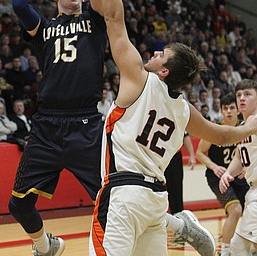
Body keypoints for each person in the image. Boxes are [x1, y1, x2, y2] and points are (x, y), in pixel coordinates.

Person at [88, 1, 257, 255]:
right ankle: (180, 224)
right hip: (156, 201)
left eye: (161, 55)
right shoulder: (185, 110)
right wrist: (249, 129)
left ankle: (181, 224)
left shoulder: (137, 78)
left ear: (164, 71)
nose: (155, 53)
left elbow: (113, 16)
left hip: (123, 194)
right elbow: (221, 135)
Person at [8, 0, 107, 255]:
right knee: (18, 205)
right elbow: (19, 5)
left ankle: (175, 225)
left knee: (115, 200)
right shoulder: (43, 28)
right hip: (46, 127)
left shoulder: (94, 19)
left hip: (86, 124)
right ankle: (44, 247)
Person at [196, 93, 249, 256]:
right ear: (222, 111)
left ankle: (244, 245)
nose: (229, 112)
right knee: (235, 210)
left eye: (232, 108)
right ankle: (224, 251)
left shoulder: (245, 128)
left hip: (240, 177)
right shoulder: (215, 129)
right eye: (225, 108)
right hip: (218, 177)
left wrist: (246, 167)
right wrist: (214, 166)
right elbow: (199, 153)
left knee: (250, 210)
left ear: (238, 110)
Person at [219, 79, 257, 256]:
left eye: (248, 94)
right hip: (252, 191)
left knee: (239, 247)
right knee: (245, 247)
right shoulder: (243, 127)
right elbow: (239, 155)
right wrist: (228, 173)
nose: (242, 98)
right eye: (239, 95)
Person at [165, 132, 196, 215]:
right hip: (158, 157)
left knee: (176, 190)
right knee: (159, 189)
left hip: (174, 156)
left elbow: (185, 136)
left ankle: (179, 217)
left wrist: (192, 155)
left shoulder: (178, 119)